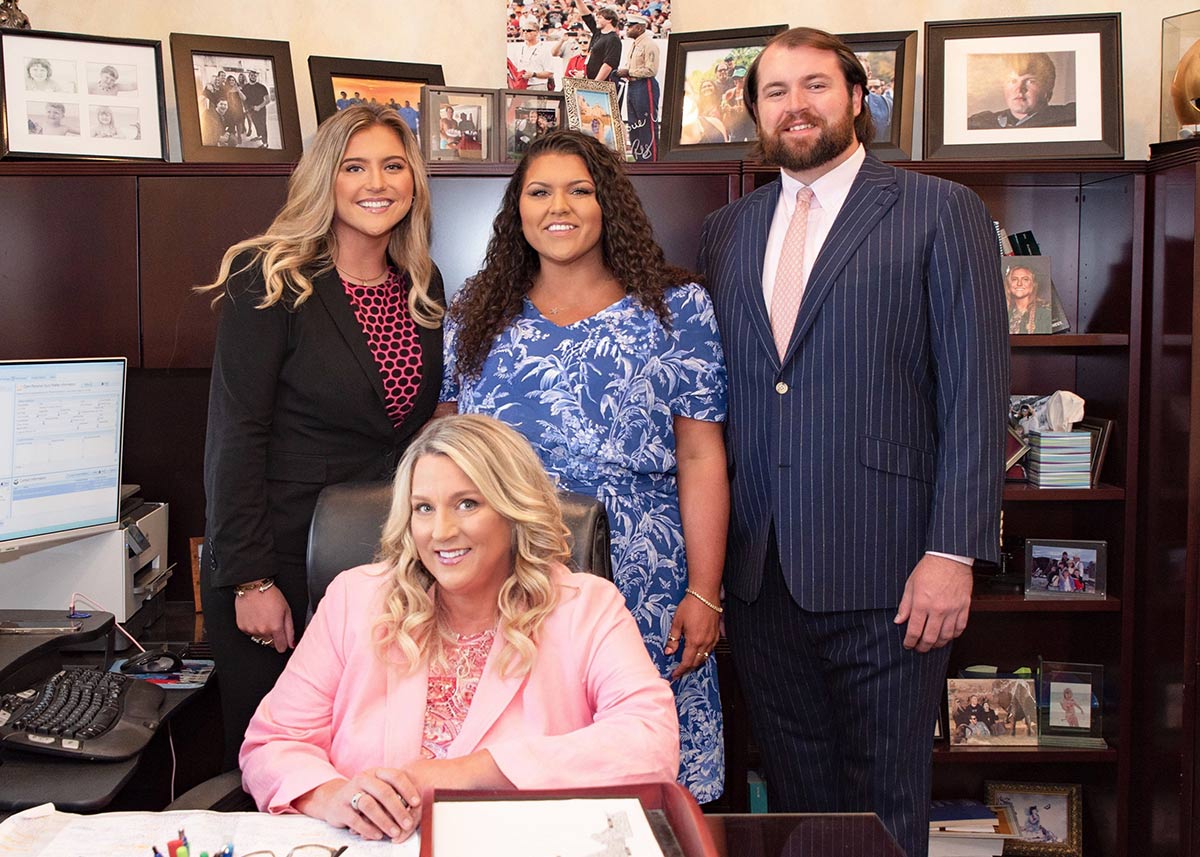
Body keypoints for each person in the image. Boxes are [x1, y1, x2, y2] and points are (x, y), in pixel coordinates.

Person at [698, 27, 1008, 857]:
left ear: (857, 99)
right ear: (756, 111)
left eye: (815, 86)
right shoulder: (727, 231)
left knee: (884, 802)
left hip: (893, 574)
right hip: (761, 581)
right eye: (775, 91)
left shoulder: (941, 210)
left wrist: (955, 552)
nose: (796, 105)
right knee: (799, 806)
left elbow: (978, 395)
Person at [439, 129, 729, 803]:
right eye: (539, 191)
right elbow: (445, 453)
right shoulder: (476, 313)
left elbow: (700, 453)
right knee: (521, 778)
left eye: (579, 189)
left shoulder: (679, 309)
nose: (557, 206)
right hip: (511, 582)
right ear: (518, 210)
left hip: (646, 581)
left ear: (609, 206)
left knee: (645, 784)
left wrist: (706, 590)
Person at [239, 415, 679, 837]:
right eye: (423, 508)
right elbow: (271, 745)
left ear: (512, 510)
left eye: (466, 504)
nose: (441, 531)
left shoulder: (586, 608)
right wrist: (333, 796)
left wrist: (463, 775)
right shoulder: (356, 599)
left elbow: (650, 742)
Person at [199, 103, 445, 769]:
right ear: (324, 180)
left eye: (393, 165)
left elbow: (403, 428)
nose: (377, 182)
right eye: (354, 166)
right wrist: (250, 579)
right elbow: (235, 434)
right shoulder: (271, 275)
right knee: (276, 764)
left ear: (413, 181)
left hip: (375, 566)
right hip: (276, 561)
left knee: (363, 761)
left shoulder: (420, 285)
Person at [968, 53, 1076, 129]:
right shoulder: (980, 123)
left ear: (1047, 90)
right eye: (1013, 81)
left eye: (1030, 81)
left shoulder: (1069, 118)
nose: (1019, 89)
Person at [615, 12, 660, 160]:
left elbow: (651, 70)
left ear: (640, 28)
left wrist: (629, 71)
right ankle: (639, 157)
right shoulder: (635, 45)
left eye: (630, 26)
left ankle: (651, 159)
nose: (627, 28)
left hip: (644, 84)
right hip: (633, 84)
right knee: (635, 124)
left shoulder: (649, 45)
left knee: (647, 123)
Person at [573, 0, 622, 81]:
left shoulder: (613, 39)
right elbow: (586, 16)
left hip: (603, 84)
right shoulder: (598, 32)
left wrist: (595, 84)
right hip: (591, 80)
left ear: (609, 20)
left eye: (599, 17)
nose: (596, 20)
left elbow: (608, 65)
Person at [1005, 263, 1052, 333]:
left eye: (1025, 279)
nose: (1019, 284)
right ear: (1009, 284)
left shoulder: (1045, 314)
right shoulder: (1004, 313)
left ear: (1033, 284)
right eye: (1014, 279)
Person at [513, 15, 553, 90]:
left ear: (537, 32)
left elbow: (550, 73)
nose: (525, 32)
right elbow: (515, 68)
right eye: (523, 30)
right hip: (521, 85)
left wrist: (534, 74)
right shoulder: (518, 48)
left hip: (538, 85)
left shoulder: (543, 49)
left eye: (528, 30)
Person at [242, 69, 271, 148]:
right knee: (255, 124)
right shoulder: (245, 87)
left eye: (255, 75)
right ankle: (259, 136)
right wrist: (246, 109)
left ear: (256, 76)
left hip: (261, 109)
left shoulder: (262, 87)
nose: (253, 76)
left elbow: (268, 100)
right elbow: (243, 99)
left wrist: (259, 106)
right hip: (251, 110)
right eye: (251, 75)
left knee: (262, 125)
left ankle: (265, 143)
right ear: (249, 76)